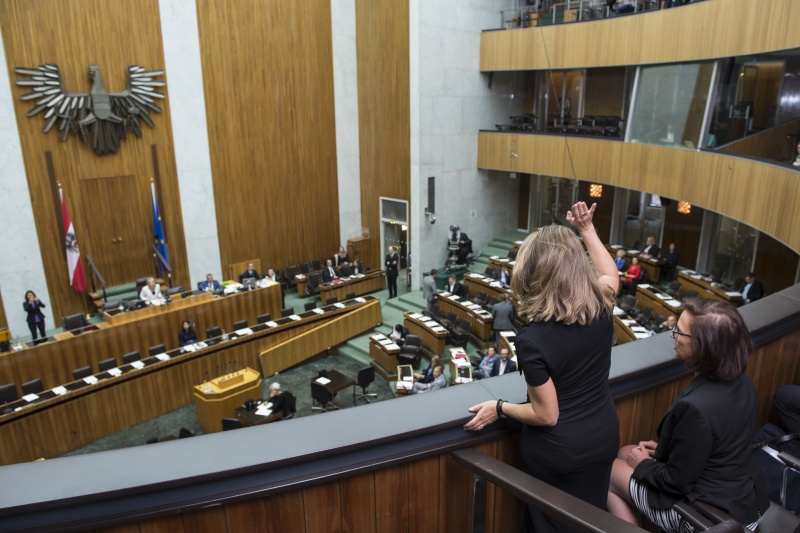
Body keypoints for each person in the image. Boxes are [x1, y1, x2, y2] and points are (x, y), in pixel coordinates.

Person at [464, 200, 620, 533]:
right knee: (588, 521)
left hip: (559, 454)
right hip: (603, 436)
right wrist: (587, 229)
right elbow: (609, 274)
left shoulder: (532, 339)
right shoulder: (602, 305)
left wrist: (500, 407)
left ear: (532, 273)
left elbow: (546, 415)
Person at [607, 299, 768, 532]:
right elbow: (714, 446)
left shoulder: (697, 408)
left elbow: (675, 483)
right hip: (743, 499)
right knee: (624, 452)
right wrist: (669, 449)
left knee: (608, 470)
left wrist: (643, 465)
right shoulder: (740, 379)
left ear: (703, 346)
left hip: (710, 517)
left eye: (679, 331)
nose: (673, 335)